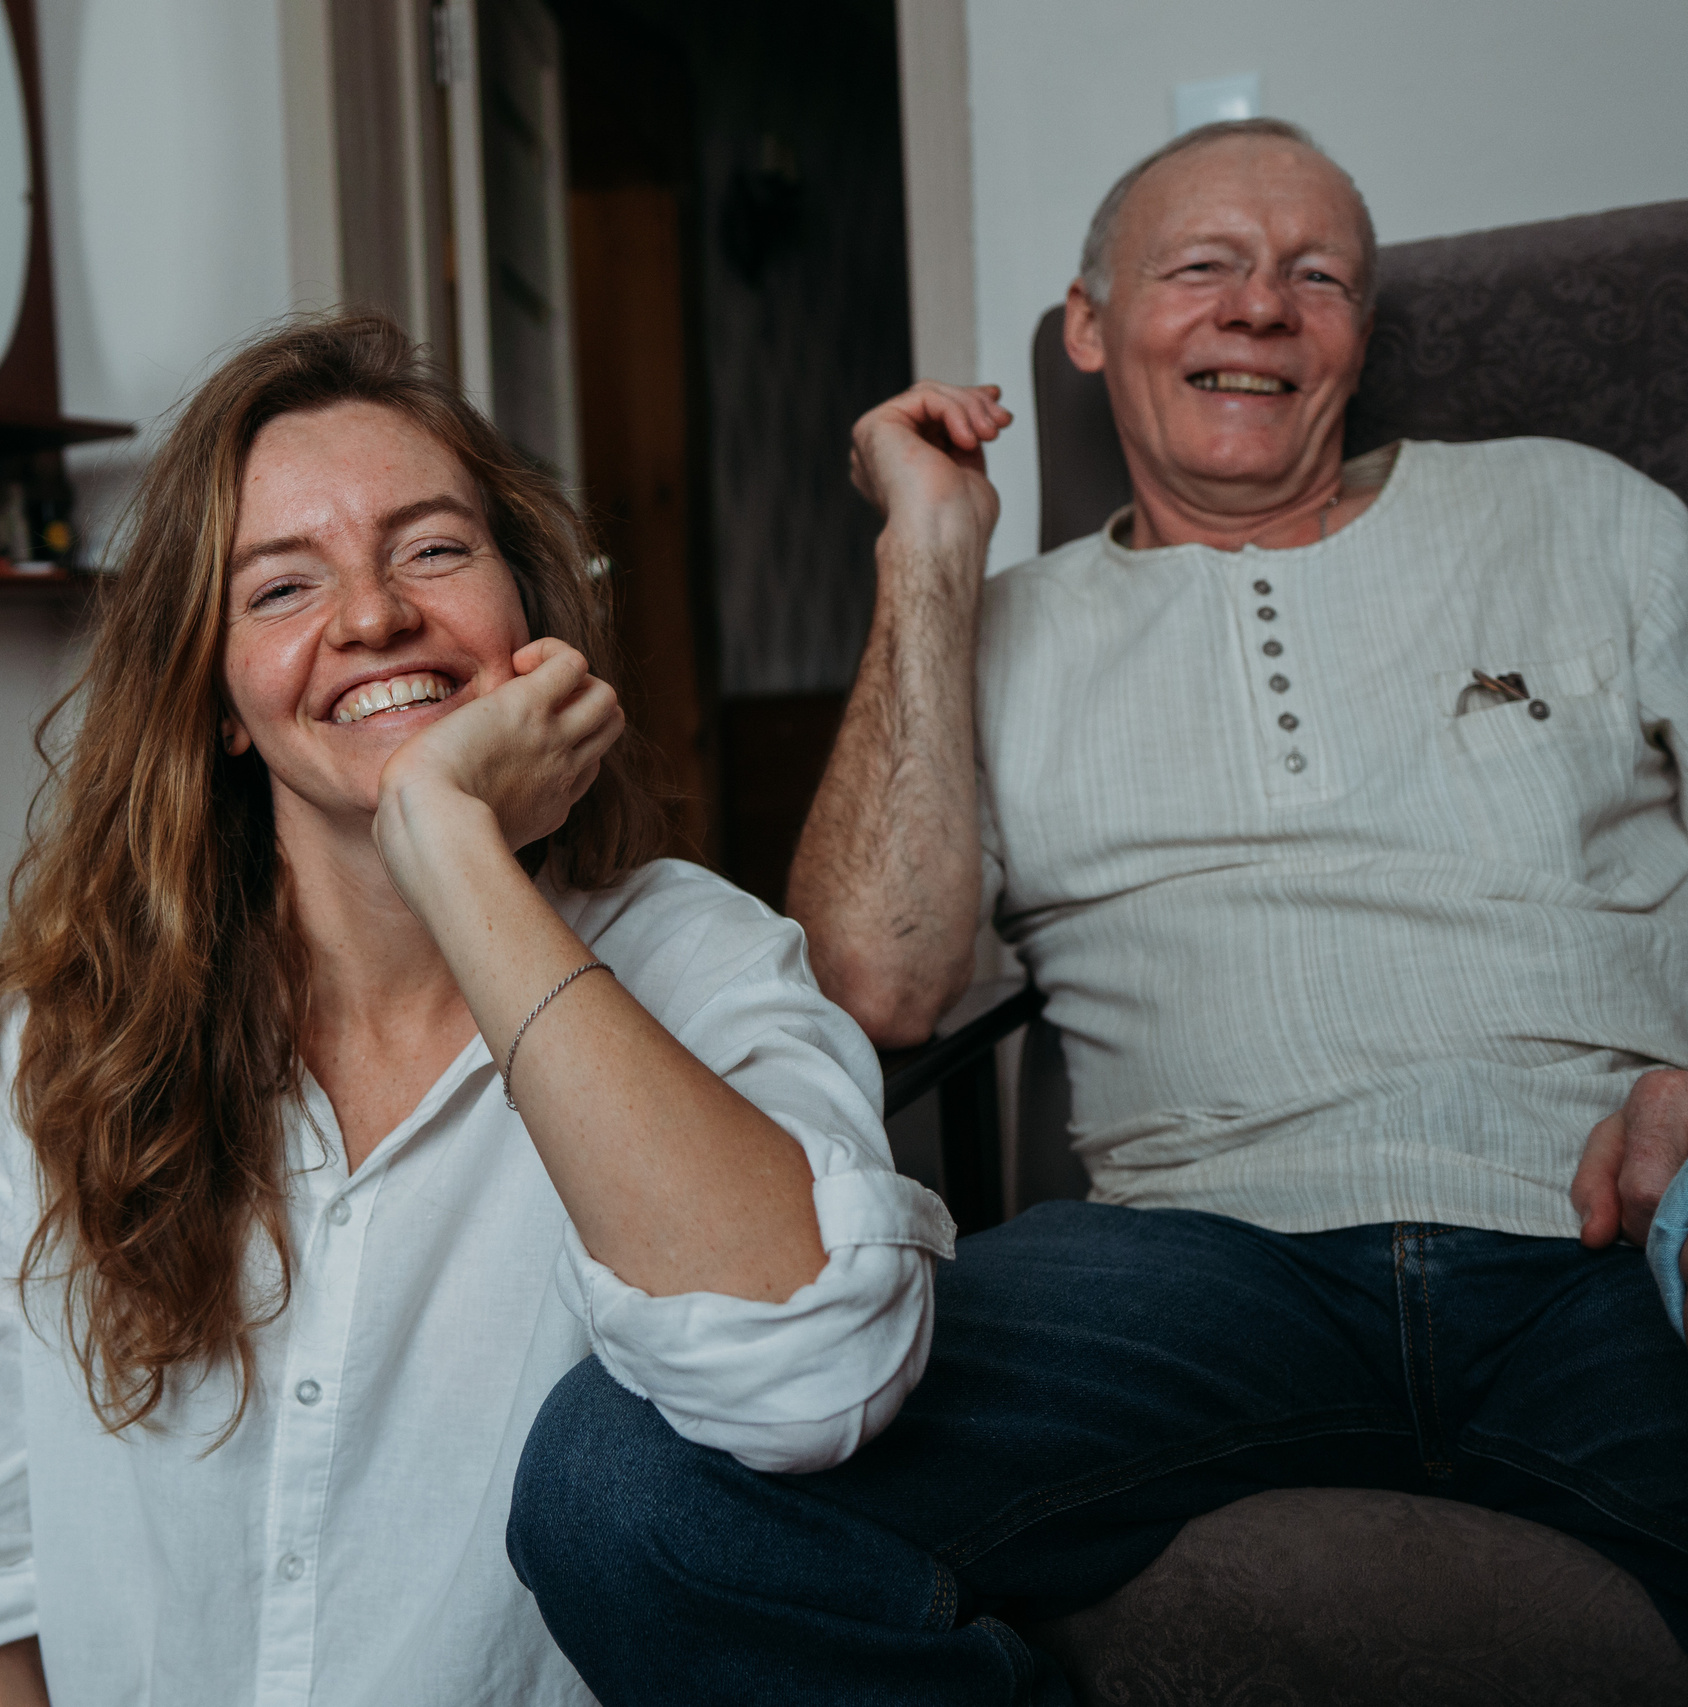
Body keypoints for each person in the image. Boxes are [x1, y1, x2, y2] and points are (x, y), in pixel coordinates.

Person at [508, 120, 1688, 1703]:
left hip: (1612, 1226)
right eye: (1201, 265)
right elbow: (870, 980)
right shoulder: (1000, 624)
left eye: (1316, 275)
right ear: (1087, 327)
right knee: (623, 1486)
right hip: (1205, 1269)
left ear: (1360, 330)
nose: (1259, 307)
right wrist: (927, 558)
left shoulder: (1579, 511)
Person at [0, 314, 952, 1706]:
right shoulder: (56, 1047)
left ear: (528, 624)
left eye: (433, 550)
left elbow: (816, 1378)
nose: (371, 617)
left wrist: (451, 844)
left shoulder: (700, 960)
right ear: (223, 706)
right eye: (281, 588)